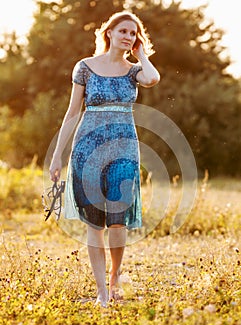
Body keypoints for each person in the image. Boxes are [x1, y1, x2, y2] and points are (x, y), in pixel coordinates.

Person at [49, 10, 160, 307]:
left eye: (133, 33)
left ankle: (115, 277)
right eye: (123, 31)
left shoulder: (134, 70)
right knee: (94, 224)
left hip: (124, 151)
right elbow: (72, 113)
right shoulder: (85, 67)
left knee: (118, 221)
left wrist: (142, 55)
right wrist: (57, 156)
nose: (128, 36)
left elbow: (152, 78)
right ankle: (101, 291)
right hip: (87, 151)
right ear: (109, 32)